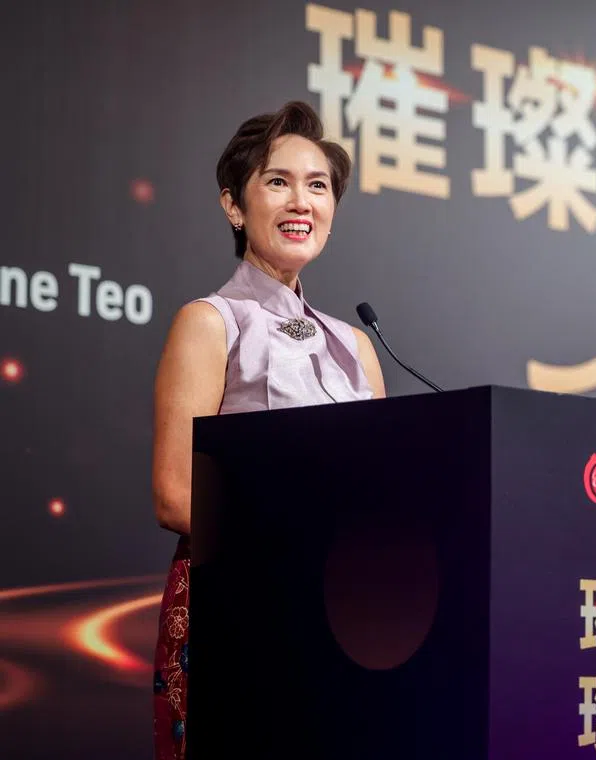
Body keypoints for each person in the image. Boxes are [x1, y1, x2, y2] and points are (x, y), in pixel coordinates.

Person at [149, 101, 386, 760]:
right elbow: (174, 493)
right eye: (278, 181)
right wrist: (304, 540)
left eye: (317, 185)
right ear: (233, 204)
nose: (301, 200)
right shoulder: (209, 322)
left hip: (346, 620)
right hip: (244, 607)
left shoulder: (357, 346)